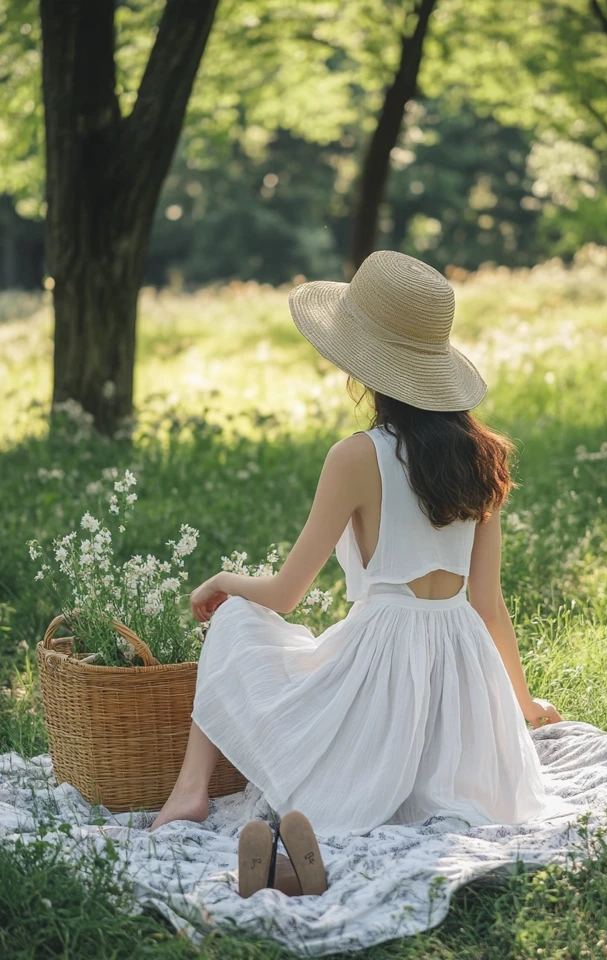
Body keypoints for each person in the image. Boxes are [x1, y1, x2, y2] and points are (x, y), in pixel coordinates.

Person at [150, 250, 562, 836]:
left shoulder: (356, 457)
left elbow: (285, 593)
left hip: (383, 671)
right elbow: (488, 606)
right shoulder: (483, 457)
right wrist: (523, 708)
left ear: (365, 365)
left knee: (236, 619)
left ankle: (190, 791)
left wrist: (222, 583)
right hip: (462, 685)